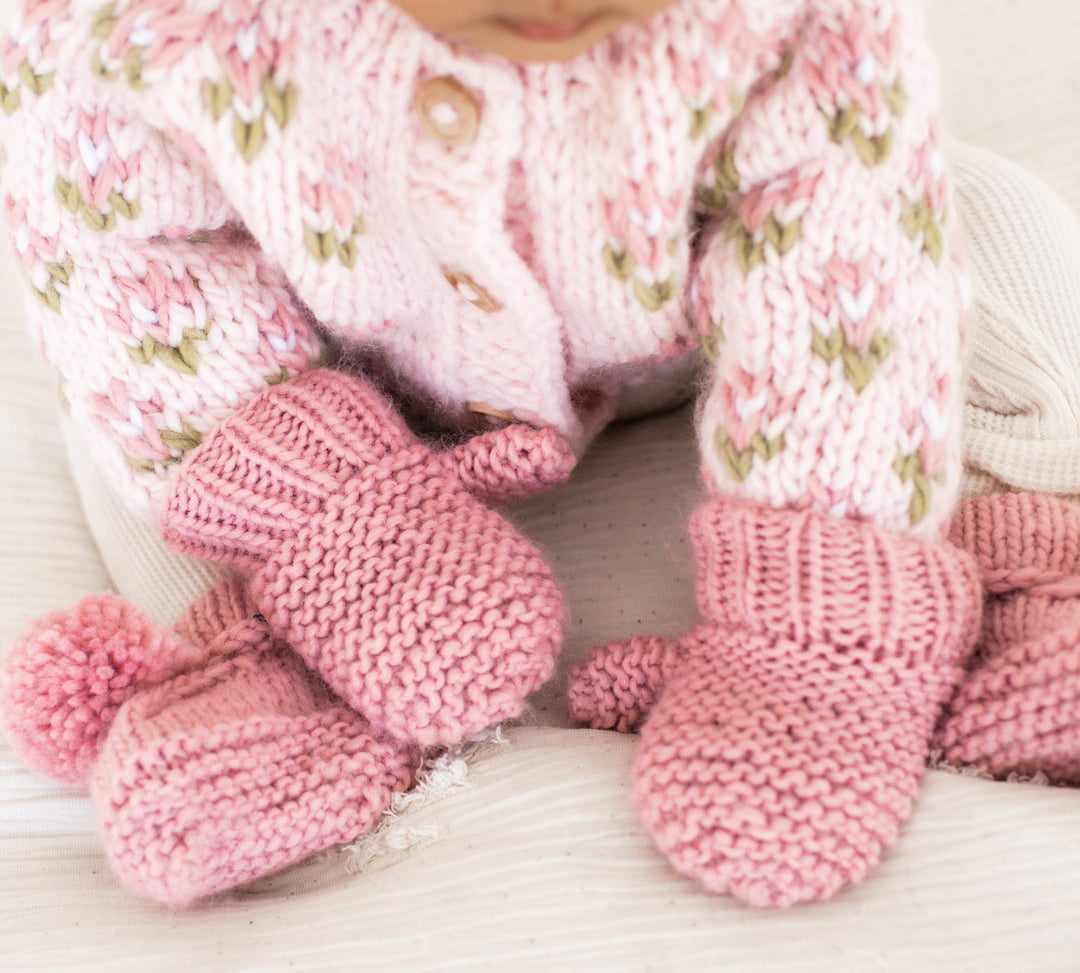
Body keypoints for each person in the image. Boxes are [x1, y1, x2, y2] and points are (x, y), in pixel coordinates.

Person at [0, 0, 1074, 907]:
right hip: (323, 354)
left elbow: (850, 249)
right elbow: (119, 256)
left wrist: (815, 616)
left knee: (978, 231)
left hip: (677, 324)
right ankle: (277, 646)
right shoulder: (132, 25)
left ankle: (1002, 543)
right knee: (138, 436)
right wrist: (325, 510)